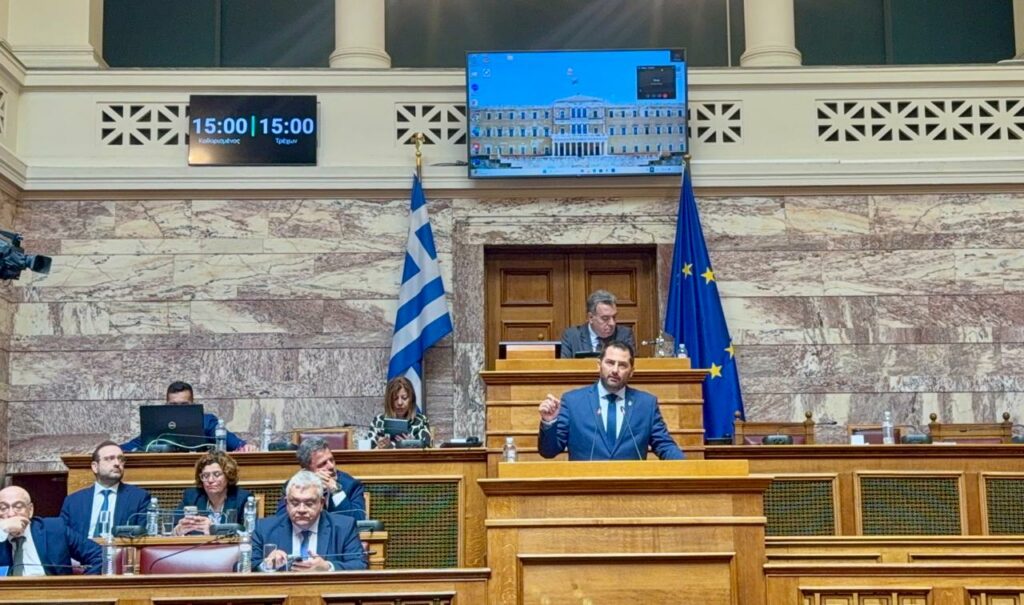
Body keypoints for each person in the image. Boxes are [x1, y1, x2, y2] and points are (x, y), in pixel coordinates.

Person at [539, 341, 684, 460]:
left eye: (622, 365)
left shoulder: (646, 404)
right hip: (586, 484)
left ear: (632, 372)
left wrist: (687, 467)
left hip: (631, 485)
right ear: (599, 365)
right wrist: (549, 422)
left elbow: (665, 446)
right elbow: (548, 451)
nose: (615, 370)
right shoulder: (573, 402)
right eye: (610, 363)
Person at [253, 470, 366, 572]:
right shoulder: (264, 528)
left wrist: (327, 567)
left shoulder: (344, 527)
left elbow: (360, 565)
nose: (301, 510)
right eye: (295, 503)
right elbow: (247, 566)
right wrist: (266, 565)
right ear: (286, 503)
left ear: (321, 503)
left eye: (309, 503)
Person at [121, 381, 258, 453]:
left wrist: (245, 447)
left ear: (193, 403)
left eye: (184, 405)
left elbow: (233, 443)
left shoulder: (207, 421)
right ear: (166, 405)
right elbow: (131, 446)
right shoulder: (158, 424)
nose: (178, 409)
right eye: (173, 405)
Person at [0, 486, 104, 576]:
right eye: (3, 508)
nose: (11, 514)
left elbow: (99, 555)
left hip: (53, 591)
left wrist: (80, 587)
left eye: (18, 507)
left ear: (30, 510)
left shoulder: (54, 529)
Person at [60, 441, 152, 539]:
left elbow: (144, 538)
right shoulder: (73, 501)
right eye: (110, 459)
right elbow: (61, 537)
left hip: (120, 548)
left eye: (121, 459)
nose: (117, 463)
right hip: (82, 548)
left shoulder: (139, 497)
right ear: (95, 467)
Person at [275, 437, 365, 521]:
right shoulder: (293, 486)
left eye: (331, 460)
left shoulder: (351, 485)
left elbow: (358, 521)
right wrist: (308, 486)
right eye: (323, 464)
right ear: (307, 470)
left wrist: (336, 491)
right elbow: (280, 520)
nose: (331, 466)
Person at [173, 451, 253, 536]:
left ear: (228, 475)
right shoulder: (192, 496)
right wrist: (178, 530)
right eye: (205, 475)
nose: (210, 480)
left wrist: (213, 530)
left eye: (217, 474)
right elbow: (172, 527)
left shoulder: (242, 498)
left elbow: (248, 533)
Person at [559, 289, 636, 358]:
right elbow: (563, 366)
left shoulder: (624, 335)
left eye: (614, 317)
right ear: (590, 317)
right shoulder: (572, 336)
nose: (612, 323)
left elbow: (631, 364)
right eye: (605, 318)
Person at [369, 376, 432, 448]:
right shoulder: (378, 421)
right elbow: (366, 450)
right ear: (389, 401)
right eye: (395, 398)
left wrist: (412, 445)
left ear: (411, 400)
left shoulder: (421, 421)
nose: (399, 403)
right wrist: (379, 447)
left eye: (404, 398)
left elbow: (428, 449)